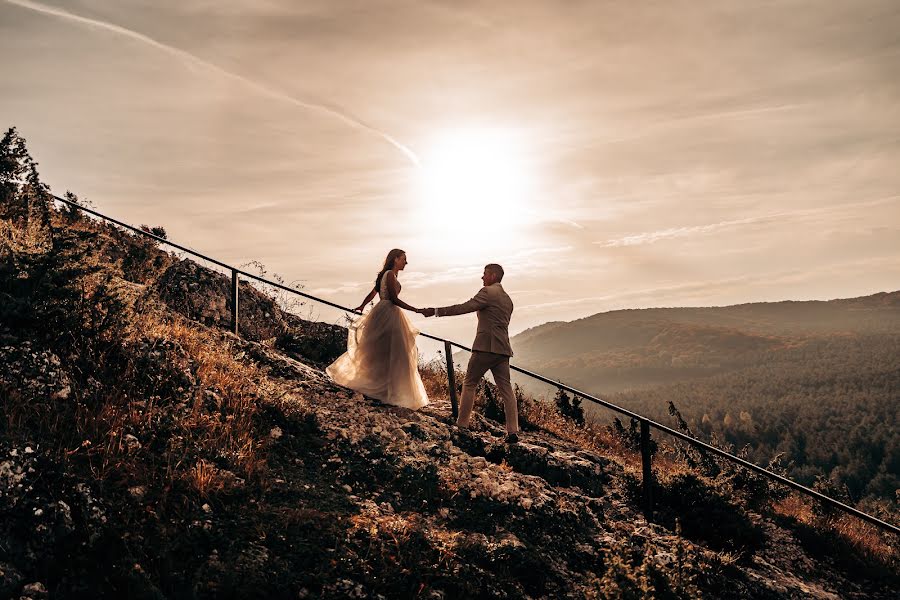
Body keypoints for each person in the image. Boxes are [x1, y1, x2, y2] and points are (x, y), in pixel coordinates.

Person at [422, 263, 519, 443]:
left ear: (493, 276)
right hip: (503, 349)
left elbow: (464, 307)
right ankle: (512, 431)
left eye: (485, 274)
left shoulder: (487, 293)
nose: (482, 278)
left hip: (484, 347)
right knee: (506, 389)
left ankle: (462, 425)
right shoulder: (508, 300)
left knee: (469, 383)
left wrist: (436, 311)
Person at [326, 249, 430, 409]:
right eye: (403, 259)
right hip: (388, 312)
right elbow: (394, 299)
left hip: (384, 312)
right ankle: (385, 390)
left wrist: (362, 305)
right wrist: (415, 309)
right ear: (395, 259)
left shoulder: (389, 274)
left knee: (386, 351)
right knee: (392, 351)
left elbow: (373, 292)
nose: (406, 262)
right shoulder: (389, 274)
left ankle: (388, 389)